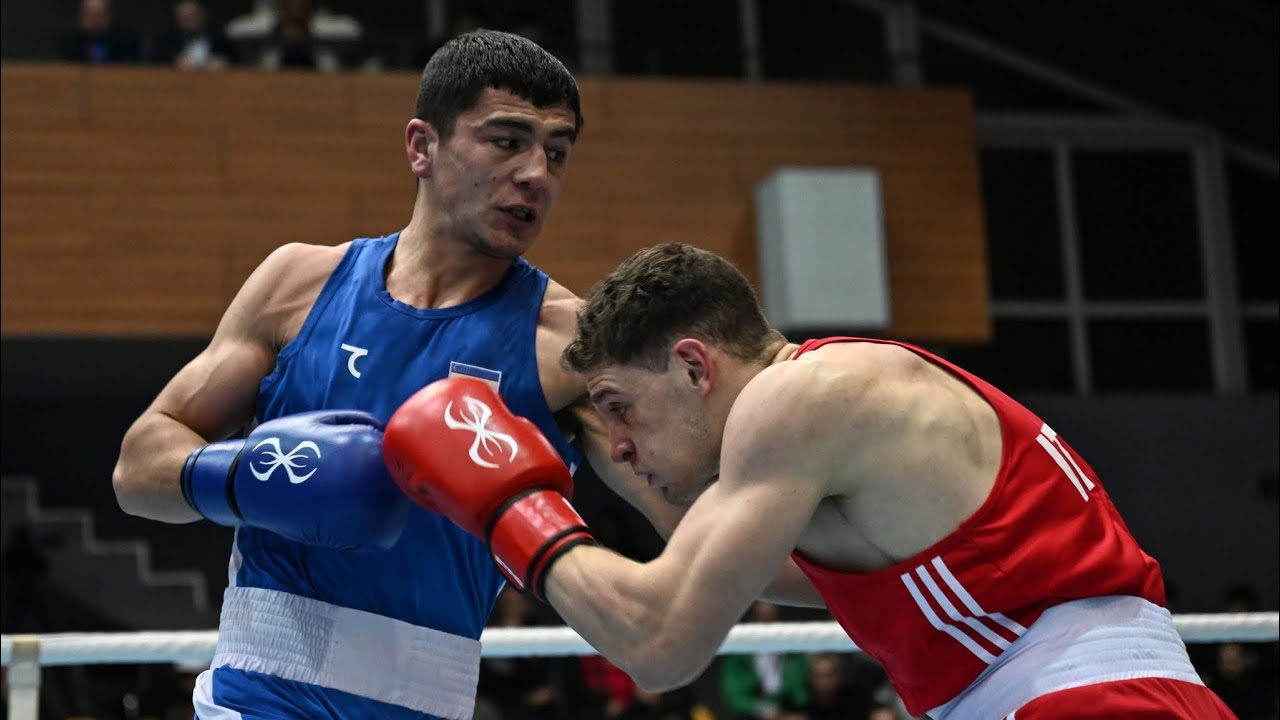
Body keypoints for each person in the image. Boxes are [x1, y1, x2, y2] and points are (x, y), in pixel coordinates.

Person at [383, 242, 1238, 719]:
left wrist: (506, 502)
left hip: (1093, 703)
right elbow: (719, 561)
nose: (619, 445)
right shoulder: (829, 429)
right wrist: (593, 447)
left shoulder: (797, 400)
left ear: (693, 366)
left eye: (620, 409)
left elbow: (660, 642)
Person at [112, 30, 686, 720]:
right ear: (422, 146)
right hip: (251, 699)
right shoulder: (299, 285)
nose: (536, 173)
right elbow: (137, 467)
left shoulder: (573, 346)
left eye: (556, 152)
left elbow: (698, 520)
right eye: (507, 141)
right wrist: (255, 478)